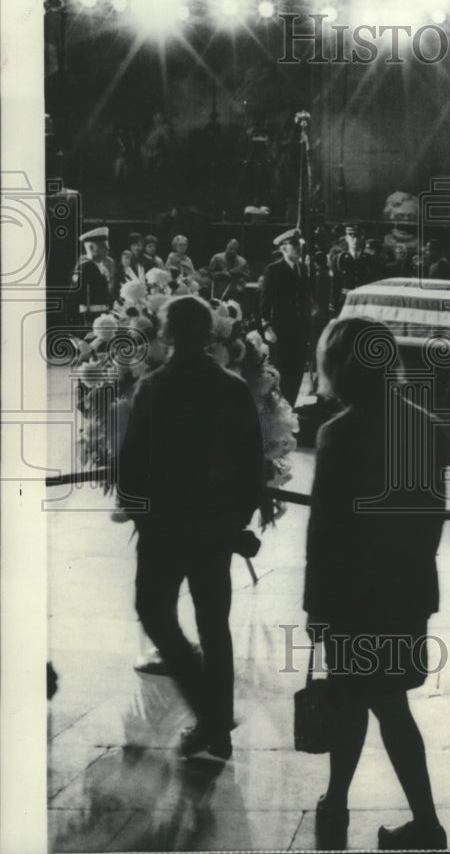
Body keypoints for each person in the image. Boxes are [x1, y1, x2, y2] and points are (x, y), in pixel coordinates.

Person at [304, 317, 448, 851]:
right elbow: (432, 518)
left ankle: (354, 806)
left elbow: (325, 533)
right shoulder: (426, 426)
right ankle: (351, 803)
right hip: (403, 591)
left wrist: (315, 607)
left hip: (349, 598)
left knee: (357, 700)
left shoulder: (337, 434)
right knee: (384, 701)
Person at [117, 296, 264, 761]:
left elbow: (133, 464)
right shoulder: (232, 388)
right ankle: (216, 727)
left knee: (153, 608)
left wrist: (142, 517)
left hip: (164, 527)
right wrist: (234, 523)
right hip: (213, 527)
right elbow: (250, 465)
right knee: (213, 623)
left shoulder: (154, 388)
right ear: (210, 335)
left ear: (166, 333)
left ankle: (205, 702)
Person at [260, 228, 312, 408]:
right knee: (283, 371)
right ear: (283, 248)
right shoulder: (274, 270)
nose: (298, 249)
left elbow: (305, 297)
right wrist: (266, 326)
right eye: (294, 245)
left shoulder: (303, 269)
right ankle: (280, 411)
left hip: (300, 330)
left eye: (299, 245)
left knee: (297, 369)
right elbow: (265, 300)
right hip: (282, 330)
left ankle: (291, 408)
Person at [71, 226, 116, 325]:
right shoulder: (85, 267)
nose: (108, 248)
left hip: (100, 316)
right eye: (103, 245)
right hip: (88, 318)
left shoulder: (100, 266)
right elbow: (74, 297)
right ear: (91, 247)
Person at [331, 225, 373, 313]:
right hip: (345, 303)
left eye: (358, 236)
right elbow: (335, 285)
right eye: (351, 236)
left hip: (365, 303)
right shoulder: (338, 259)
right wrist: (334, 306)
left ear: (362, 238)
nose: (355, 240)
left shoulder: (370, 260)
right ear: (346, 238)